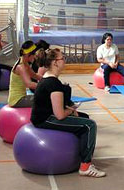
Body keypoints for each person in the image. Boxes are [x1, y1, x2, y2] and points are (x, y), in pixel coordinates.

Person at [31, 48, 106, 178]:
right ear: (55, 62)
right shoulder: (53, 83)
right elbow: (59, 115)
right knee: (89, 125)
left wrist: (73, 111)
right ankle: (85, 166)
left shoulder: (48, 78)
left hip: (45, 115)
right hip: (45, 120)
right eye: (62, 58)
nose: (64, 60)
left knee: (84, 117)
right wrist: (71, 110)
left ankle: (79, 156)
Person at [7, 40, 42, 107]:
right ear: (28, 54)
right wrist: (46, 86)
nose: (35, 57)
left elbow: (34, 75)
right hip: (17, 100)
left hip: (21, 97)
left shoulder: (25, 63)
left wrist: (48, 79)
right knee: (45, 100)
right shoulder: (21, 66)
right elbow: (29, 84)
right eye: (33, 54)